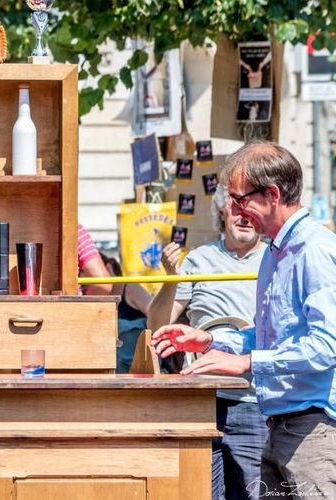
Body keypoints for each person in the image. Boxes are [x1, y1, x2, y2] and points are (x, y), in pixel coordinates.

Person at [152, 141, 336, 499]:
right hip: (281, 428)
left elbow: (326, 347)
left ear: (271, 194)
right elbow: (272, 337)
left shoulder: (314, 250)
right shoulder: (276, 253)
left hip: (313, 431)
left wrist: (247, 361)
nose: (234, 210)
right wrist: (209, 342)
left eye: (239, 199)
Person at [148, 186, 267, 500]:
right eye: (235, 207)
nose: (243, 216)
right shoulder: (198, 260)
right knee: (198, 492)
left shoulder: (274, 261)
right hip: (201, 402)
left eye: (250, 208)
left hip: (255, 402)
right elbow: (158, 325)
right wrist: (170, 277)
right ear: (222, 212)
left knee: (254, 494)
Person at [101, 252, 152, 373]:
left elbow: (157, 316)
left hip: (138, 373)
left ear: (108, 268)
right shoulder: (93, 299)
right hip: (110, 374)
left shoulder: (130, 287)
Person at [77, 223, 112, 295]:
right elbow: (102, 283)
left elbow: (102, 283)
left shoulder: (74, 229)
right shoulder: (73, 229)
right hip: (68, 304)